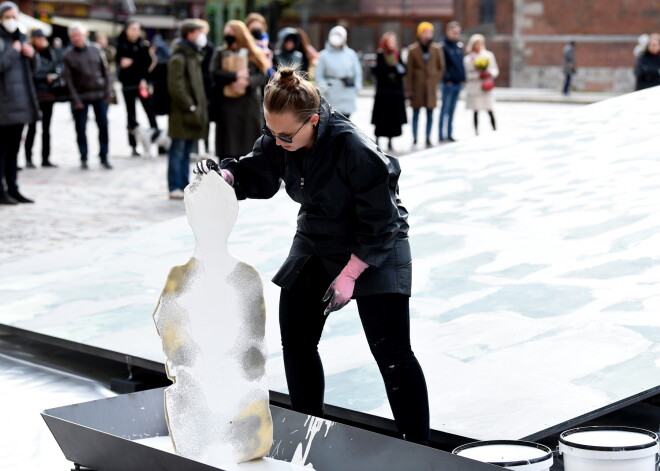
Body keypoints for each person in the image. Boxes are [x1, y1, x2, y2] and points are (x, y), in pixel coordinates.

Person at [194, 66, 431, 446]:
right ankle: (308, 432)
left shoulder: (353, 146)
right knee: (297, 340)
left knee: (392, 353)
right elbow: (260, 171)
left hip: (376, 241)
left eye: (287, 136)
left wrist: (352, 272)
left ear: (314, 121)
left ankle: (419, 447)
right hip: (317, 236)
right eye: (272, 133)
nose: (279, 142)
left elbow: (383, 221)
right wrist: (227, 178)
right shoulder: (281, 136)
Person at [210, 20, 268, 160]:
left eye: (231, 33)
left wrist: (247, 82)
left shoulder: (253, 53)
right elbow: (214, 73)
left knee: (248, 142)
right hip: (227, 104)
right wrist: (235, 76)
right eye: (226, 33)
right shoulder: (221, 52)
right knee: (228, 144)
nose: (228, 36)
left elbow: (262, 75)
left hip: (248, 103)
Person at [0, 1, 39, 204]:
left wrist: (32, 56)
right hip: (4, 104)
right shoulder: (4, 42)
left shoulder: (21, 39)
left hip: (22, 104)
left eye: (15, 16)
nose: (12, 20)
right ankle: (1, 190)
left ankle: (13, 188)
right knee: (2, 150)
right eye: (7, 16)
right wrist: (13, 52)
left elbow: (32, 70)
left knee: (14, 150)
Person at [166, 19, 208, 200]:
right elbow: (176, 86)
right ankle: (174, 185)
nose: (202, 36)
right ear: (190, 34)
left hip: (192, 111)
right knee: (177, 150)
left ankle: (183, 184)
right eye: (200, 31)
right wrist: (189, 105)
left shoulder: (193, 55)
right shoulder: (179, 57)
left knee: (186, 151)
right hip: (182, 112)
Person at [63, 22, 113, 170]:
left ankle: (104, 155)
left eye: (79, 35)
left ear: (85, 35)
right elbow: (68, 80)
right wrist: (75, 99)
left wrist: (108, 92)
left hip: (99, 94)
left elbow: (106, 72)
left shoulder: (96, 49)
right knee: (80, 128)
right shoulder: (68, 55)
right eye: (74, 36)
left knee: (103, 126)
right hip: (81, 97)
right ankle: (83, 156)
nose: (77, 38)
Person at [116, 20, 159, 157]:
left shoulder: (143, 44)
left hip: (142, 84)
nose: (135, 31)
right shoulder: (121, 45)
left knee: (150, 111)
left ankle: (158, 140)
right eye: (132, 29)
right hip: (128, 85)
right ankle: (133, 145)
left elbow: (147, 64)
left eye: (137, 29)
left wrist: (133, 63)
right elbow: (122, 65)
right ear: (126, 30)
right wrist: (137, 63)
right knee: (131, 115)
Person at [25, 28, 62, 168]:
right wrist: (44, 77)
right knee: (32, 127)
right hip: (34, 95)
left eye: (42, 37)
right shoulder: (30, 52)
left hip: (49, 94)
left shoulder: (50, 52)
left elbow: (57, 67)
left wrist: (55, 75)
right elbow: (30, 73)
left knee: (46, 128)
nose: (41, 39)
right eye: (38, 37)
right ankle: (29, 157)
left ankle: (45, 158)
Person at [404, 22, 444, 148]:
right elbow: (409, 71)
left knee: (430, 114)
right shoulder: (413, 50)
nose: (427, 35)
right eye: (425, 32)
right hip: (417, 87)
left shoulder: (436, 49)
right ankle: (415, 137)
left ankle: (428, 137)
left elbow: (441, 67)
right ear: (420, 34)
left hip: (431, 87)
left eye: (429, 32)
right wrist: (409, 88)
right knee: (415, 113)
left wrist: (434, 79)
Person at [315, 26, 362, 119]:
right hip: (331, 94)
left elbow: (357, 73)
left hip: (347, 92)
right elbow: (319, 75)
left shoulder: (350, 54)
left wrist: (356, 88)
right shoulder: (324, 55)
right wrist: (326, 88)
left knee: (346, 122)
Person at [371, 32, 407, 151]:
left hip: (395, 92)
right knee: (382, 117)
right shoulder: (381, 55)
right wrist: (392, 70)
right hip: (384, 93)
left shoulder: (397, 54)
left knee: (393, 118)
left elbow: (403, 70)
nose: (392, 44)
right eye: (390, 41)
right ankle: (378, 138)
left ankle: (390, 140)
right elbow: (379, 71)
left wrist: (396, 71)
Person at [463, 33, 499, 135]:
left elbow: (494, 69)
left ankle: (494, 130)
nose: (478, 45)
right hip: (475, 87)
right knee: (476, 111)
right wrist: (478, 75)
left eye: (480, 43)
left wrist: (489, 73)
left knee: (490, 109)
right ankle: (476, 132)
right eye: (476, 43)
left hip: (486, 87)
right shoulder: (468, 58)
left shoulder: (488, 55)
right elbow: (467, 75)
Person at [439, 21, 465, 142]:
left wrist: (462, 78)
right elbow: (442, 65)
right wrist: (446, 79)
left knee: (452, 111)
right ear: (448, 31)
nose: (456, 35)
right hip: (448, 84)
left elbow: (460, 64)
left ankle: (449, 134)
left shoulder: (459, 46)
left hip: (458, 83)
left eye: (458, 33)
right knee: (444, 110)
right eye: (454, 32)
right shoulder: (443, 46)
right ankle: (441, 134)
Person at [245, 12, 273, 77]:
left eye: (258, 29)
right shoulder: (244, 44)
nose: (256, 31)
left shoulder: (267, 43)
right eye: (253, 29)